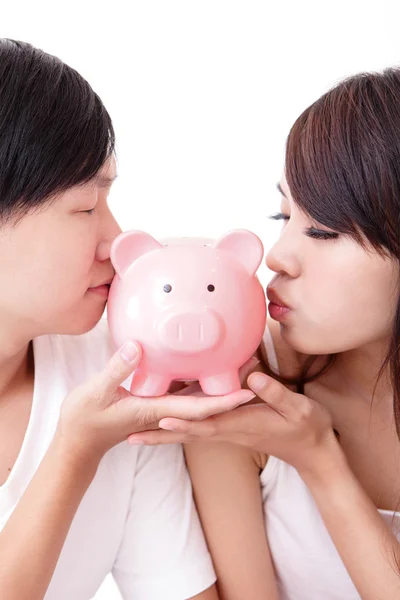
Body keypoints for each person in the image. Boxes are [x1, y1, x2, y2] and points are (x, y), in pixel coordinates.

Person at [0, 39, 258, 600]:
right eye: (87, 207)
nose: (115, 240)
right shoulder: (96, 415)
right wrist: (74, 451)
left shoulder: (111, 372)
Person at [129, 68, 400, 599]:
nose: (277, 256)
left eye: (323, 230)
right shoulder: (247, 397)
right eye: (283, 214)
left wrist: (321, 461)